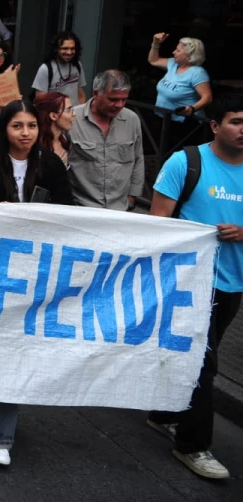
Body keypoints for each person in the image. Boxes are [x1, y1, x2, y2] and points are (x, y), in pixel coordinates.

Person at [0, 99, 72, 466]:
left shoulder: (51, 163)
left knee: (11, 345)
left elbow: (66, 209)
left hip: (34, 272)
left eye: (31, 126)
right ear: (4, 129)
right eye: (17, 126)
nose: (25, 133)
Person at [146, 95, 243, 481]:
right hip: (191, 283)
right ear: (215, 126)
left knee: (200, 355)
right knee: (206, 362)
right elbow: (158, 224)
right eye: (236, 121)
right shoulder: (185, 163)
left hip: (233, 284)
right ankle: (193, 445)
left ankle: (164, 413)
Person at [68, 69, 145, 211]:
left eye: (124, 99)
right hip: (81, 208)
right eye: (113, 99)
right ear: (96, 94)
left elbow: (138, 159)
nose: (120, 105)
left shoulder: (132, 120)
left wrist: (132, 197)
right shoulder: (72, 119)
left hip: (119, 209)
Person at [148, 33, 212, 122]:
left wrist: (192, 109)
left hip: (185, 122)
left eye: (178, 51)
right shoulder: (173, 63)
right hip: (164, 118)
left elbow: (207, 97)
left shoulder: (197, 73)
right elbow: (153, 60)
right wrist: (155, 44)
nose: (173, 52)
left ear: (189, 56)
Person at [30, 31, 87, 105]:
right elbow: (40, 100)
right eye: (65, 48)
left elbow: (81, 94)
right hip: (56, 115)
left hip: (74, 114)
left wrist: (80, 112)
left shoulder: (77, 65)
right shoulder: (45, 69)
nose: (69, 52)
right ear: (56, 49)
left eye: (72, 48)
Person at [34, 91, 75, 166]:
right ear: (53, 116)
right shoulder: (36, 147)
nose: (74, 114)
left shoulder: (64, 140)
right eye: (68, 110)